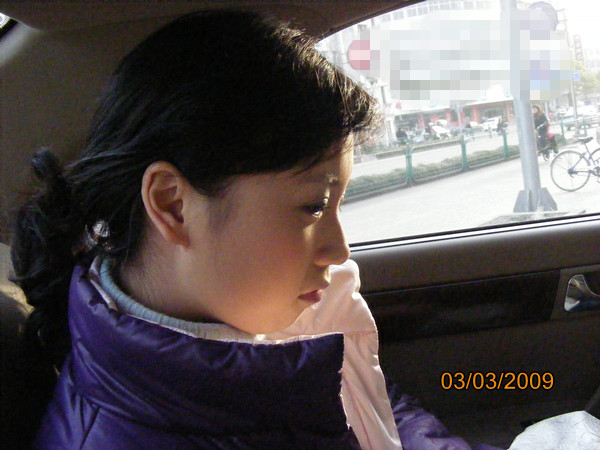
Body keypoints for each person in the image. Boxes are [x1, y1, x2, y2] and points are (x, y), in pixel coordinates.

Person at [11, 10, 497, 449]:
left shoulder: (273, 320)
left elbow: (371, 409)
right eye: (313, 207)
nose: (340, 251)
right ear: (173, 205)